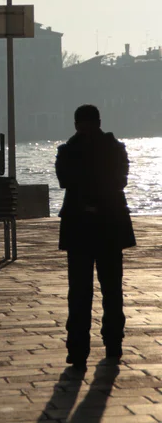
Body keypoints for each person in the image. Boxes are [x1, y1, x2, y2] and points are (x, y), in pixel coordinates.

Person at [55, 104, 136, 370]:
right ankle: (112, 342)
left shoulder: (68, 151)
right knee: (111, 288)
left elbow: (66, 180)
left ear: (77, 124)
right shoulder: (114, 149)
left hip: (80, 227)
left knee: (80, 291)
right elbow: (118, 180)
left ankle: (79, 349)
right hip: (109, 225)